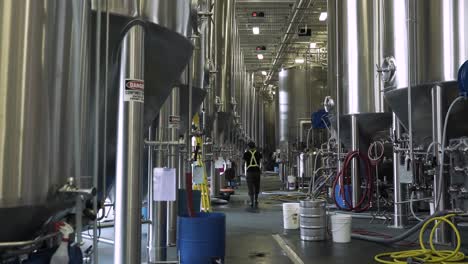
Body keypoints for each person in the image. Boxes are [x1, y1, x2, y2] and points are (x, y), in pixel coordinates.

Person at [243, 141, 262, 208]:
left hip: (249, 172)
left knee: (250, 186)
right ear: (254, 146)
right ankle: (256, 200)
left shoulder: (246, 154)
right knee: (257, 185)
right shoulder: (258, 153)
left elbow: (244, 162)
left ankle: (251, 201)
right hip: (257, 171)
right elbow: (260, 162)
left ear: (248, 147)